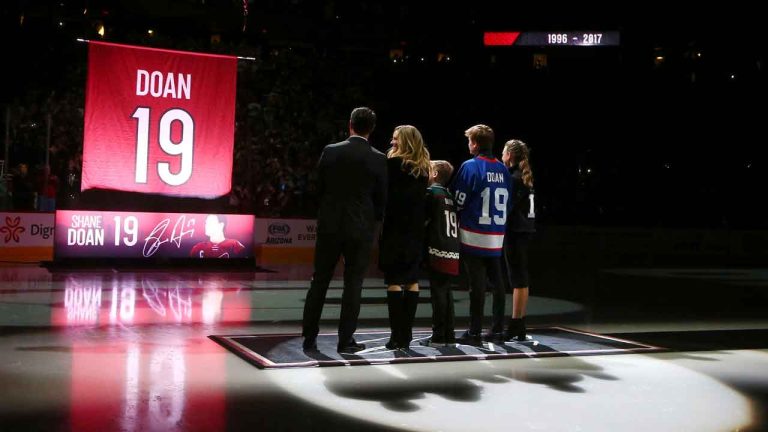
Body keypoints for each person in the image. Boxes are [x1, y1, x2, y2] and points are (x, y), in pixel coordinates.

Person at [302, 107, 387, 354]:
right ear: (371, 129)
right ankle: (345, 340)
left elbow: (317, 188)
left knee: (319, 281)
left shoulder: (331, 151)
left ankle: (309, 338)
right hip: (361, 229)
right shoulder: (378, 158)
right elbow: (381, 198)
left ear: (350, 124)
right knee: (354, 284)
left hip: (330, 225)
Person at [450, 125, 511, 345]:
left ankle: (474, 332)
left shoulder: (470, 166)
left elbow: (458, 199)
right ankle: (497, 330)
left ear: (475, 143)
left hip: (474, 234)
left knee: (477, 286)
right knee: (498, 283)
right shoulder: (503, 169)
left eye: (469, 141)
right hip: (496, 236)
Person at [379, 125, 430, 350]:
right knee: (412, 280)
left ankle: (395, 335)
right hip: (416, 230)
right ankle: (406, 335)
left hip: (394, 228)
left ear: (406, 141)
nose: (392, 142)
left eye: (395, 139)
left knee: (394, 280)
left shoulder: (391, 165)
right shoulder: (424, 169)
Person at [420, 160, 460, 347]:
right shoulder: (449, 195)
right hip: (452, 247)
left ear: (434, 173)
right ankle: (449, 335)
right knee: (446, 291)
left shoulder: (431, 194)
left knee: (438, 293)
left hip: (438, 247)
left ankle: (438, 336)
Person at [501, 139, 536, 342]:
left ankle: (515, 323)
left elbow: (508, 206)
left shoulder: (513, 178)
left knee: (517, 278)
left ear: (510, 156)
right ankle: (520, 322)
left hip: (516, 230)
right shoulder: (525, 177)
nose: (502, 156)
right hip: (526, 230)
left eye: (504, 153)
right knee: (521, 278)